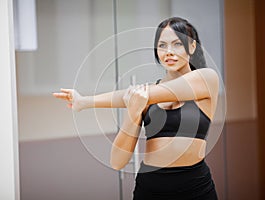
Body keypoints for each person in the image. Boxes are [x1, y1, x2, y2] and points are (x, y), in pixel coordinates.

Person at [53, 17, 219, 200]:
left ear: (192, 46)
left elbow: (150, 93)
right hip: (150, 188)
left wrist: (92, 101)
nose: (169, 52)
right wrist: (84, 102)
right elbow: (117, 162)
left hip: (195, 187)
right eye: (162, 45)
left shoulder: (207, 79)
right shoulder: (141, 97)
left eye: (177, 44)